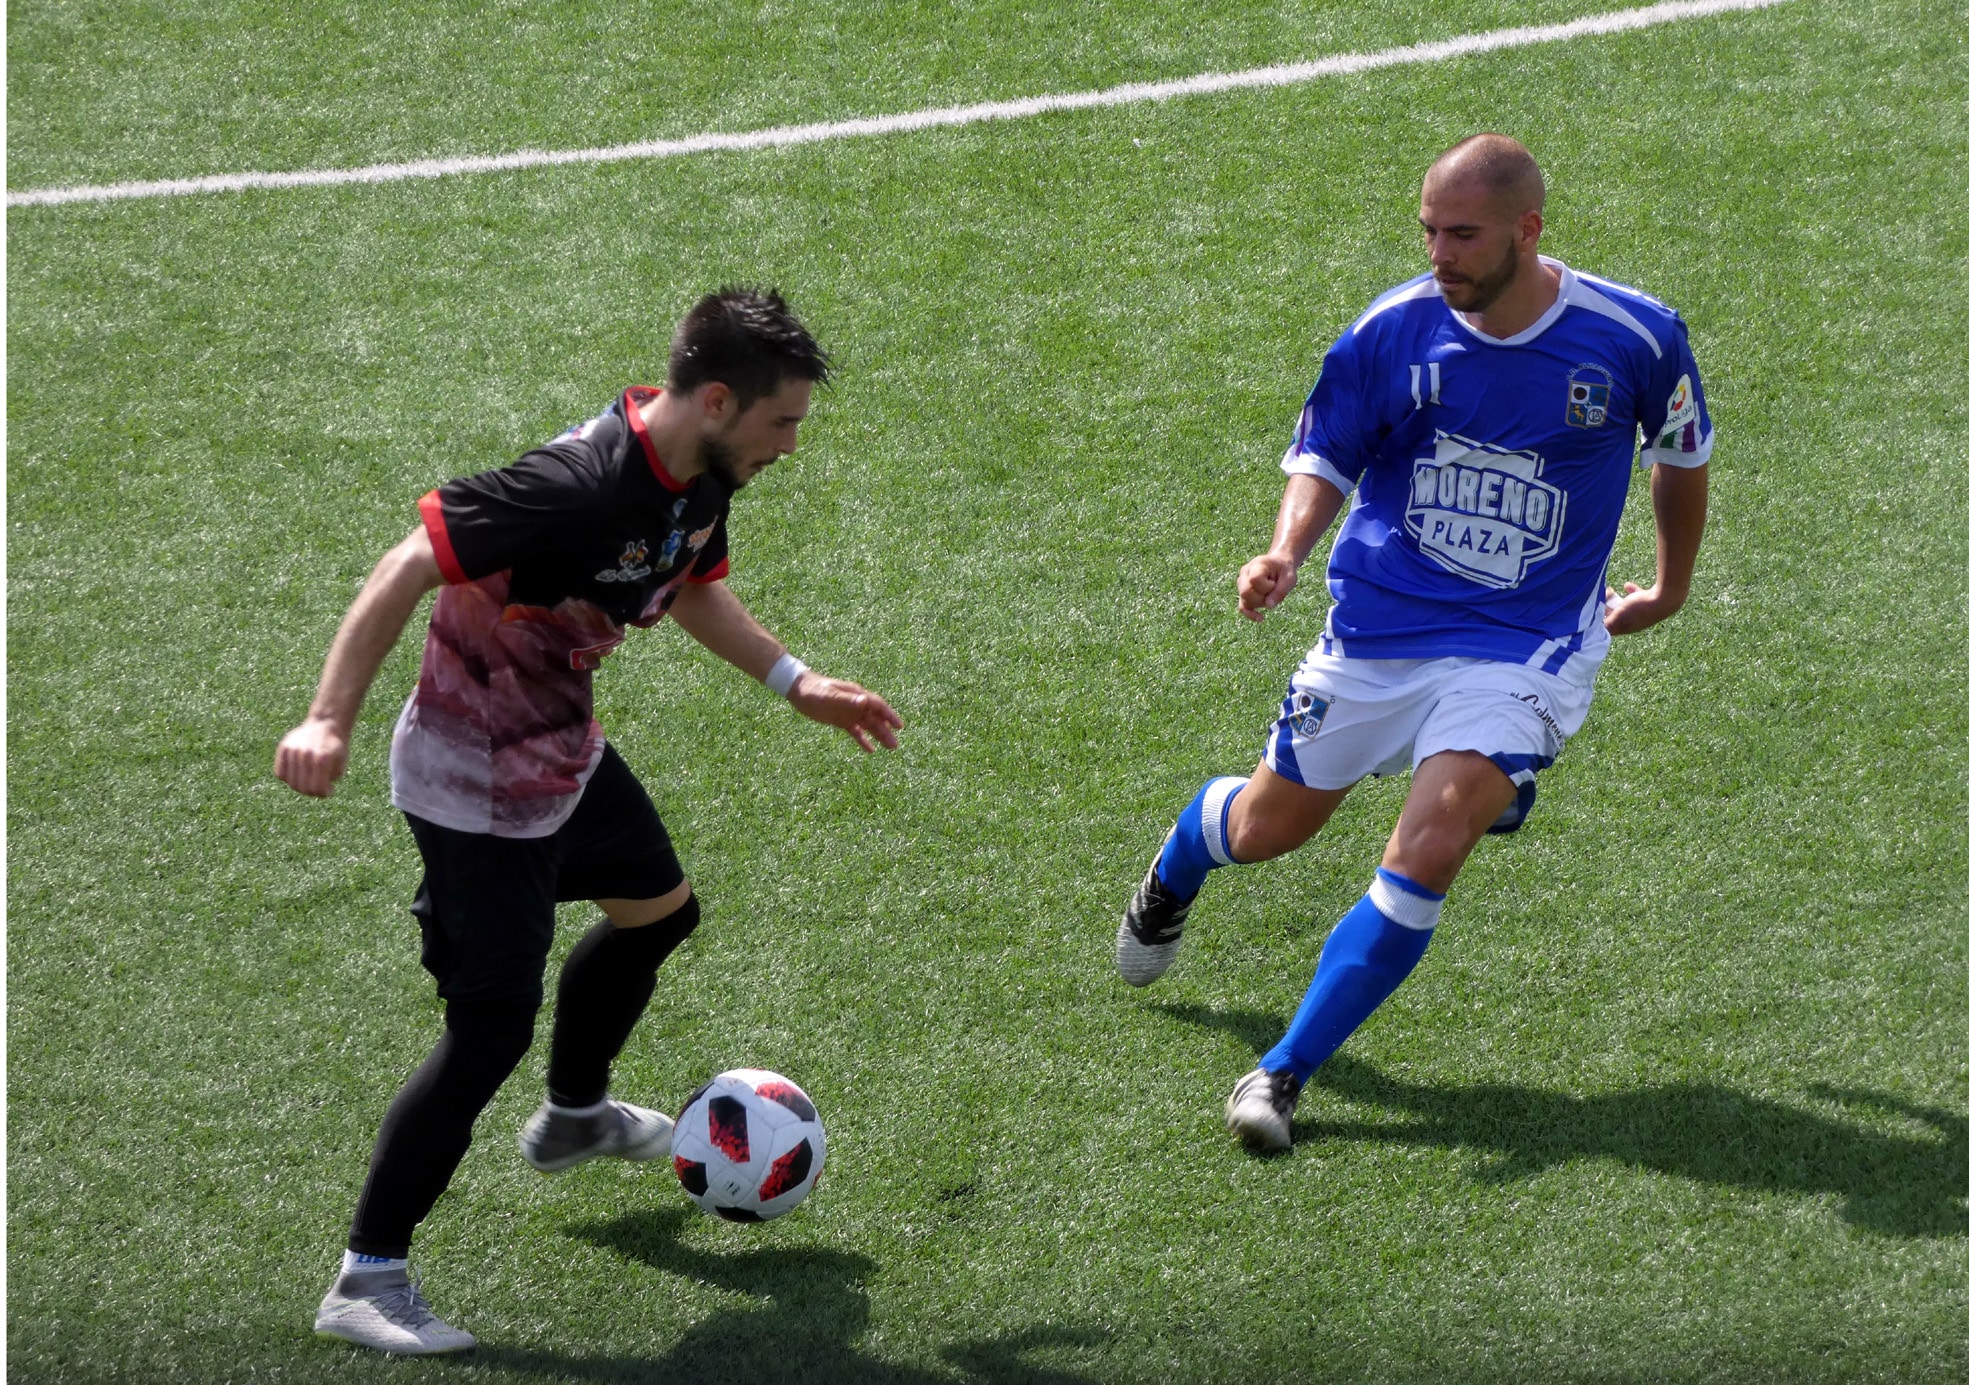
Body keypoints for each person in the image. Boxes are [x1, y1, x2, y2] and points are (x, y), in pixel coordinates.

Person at [276, 288, 903, 1355]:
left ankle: (575, 1113)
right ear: (715, 399)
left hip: (561, 756)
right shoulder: (572, 485)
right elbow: (410, 560)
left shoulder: (699, 472)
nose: (791, 444)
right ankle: (367, 1273)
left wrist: (796, 681)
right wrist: (326, 719)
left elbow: (690, 582)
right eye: (782, 421)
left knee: (659, 914)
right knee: (488, 1029)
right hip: (473, 789)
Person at [1114, 134, 1712, 1151]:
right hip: (1379, 626)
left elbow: (1681, 455)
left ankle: (1280, 1074)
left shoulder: (1634, 337)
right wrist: (1284, 550)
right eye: (1429, 229)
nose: (1440, 252)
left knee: (1433, 835)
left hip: (1522, 644)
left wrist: (1669, 585)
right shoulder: (1394, 330)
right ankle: (1180, 858)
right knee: (1267, 828)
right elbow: (1325, 452)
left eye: (1463, 233)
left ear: (1527, 230)